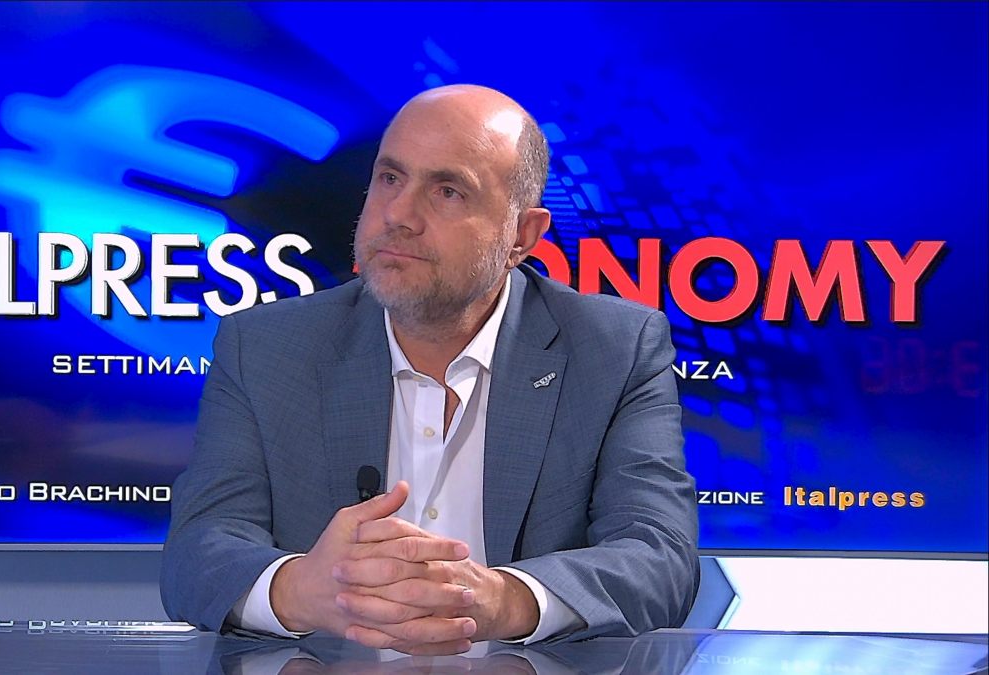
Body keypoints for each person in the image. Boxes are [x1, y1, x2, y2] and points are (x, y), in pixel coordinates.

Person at [161, 84, 698, 656]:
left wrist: (501, 601)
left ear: (522, 236)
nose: (398, 215)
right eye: (390, 178)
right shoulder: (266, 347)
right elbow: (197, 554)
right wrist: (304, 590)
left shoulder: (614, 350)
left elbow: (659, 558)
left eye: (447, 191)